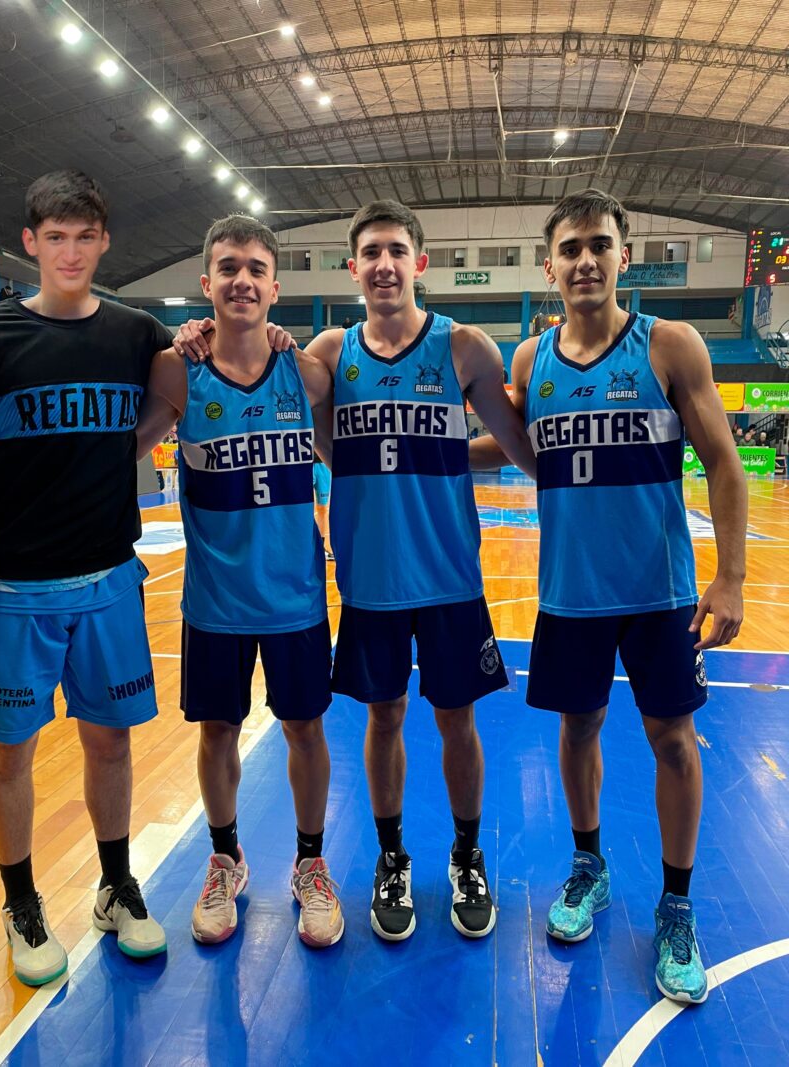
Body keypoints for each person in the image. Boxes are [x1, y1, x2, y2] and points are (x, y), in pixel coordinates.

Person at [174, 199, 533, 945]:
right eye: (371, 252)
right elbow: (322, 437)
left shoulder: (465, 349)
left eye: (397, 250)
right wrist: (194, 333)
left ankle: (467, 854)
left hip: (451, 578)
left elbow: (515, 444)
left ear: (420, 263)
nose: (385, 264)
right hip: (368, 580)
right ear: (352, 267)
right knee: (385, 715)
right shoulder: (330, 355)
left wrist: (446, 455)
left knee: (457, 720)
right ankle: (392, 857)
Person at [471, 188, 747, 1003]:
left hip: (659, 591)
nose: (585, 260)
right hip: (570, 591)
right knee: (579, 725)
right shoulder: (530, 360)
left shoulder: (670, 346)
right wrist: (429, 444)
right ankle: (587, 865)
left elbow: (726, 464)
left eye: (600, 245)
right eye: (571, 248)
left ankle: (676, 904)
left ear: (623, 255)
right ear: (548, 263)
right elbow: (518, 447)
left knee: (673, 740)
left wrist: (729, 577)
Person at [137, 215, 344, 949]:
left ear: (276, 287)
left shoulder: (307, 372)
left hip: (296, 598)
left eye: (256, 268)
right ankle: (225, 859)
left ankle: (311, 864)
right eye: (228, 267)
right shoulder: (176, 372)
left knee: (304, 728)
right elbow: (118, 441)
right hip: (216, 603)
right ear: (206, 283)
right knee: (217, 730)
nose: (242, 280)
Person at [0, 170, 171, 986]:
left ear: (103, 242)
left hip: (107, 581)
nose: (69, 250)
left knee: (111, 745)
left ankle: (115, 884)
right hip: (10, 590)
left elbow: (168, 403)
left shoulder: (136, 332)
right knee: (10, 757)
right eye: (53, 236)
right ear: (29, 244)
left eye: (83, 235)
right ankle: (21, 903)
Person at [313, 454, 335, 560]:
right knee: (302, 507)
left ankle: (322, 548)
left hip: (322, 462)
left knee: (322, 508)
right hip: (302, 463)